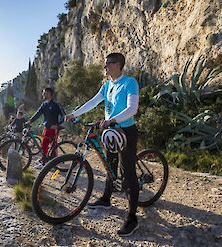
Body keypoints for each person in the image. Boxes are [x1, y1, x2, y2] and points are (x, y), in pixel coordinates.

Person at [64, 52, 140, 237]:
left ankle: (132, 217)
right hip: (110, 132)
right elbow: (93, 102)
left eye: (108, 64)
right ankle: (106, 198)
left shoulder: (129, 82)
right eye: (105, 64)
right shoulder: (107, 85)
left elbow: (132, 109)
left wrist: (112, 119)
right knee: (110, 166)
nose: (105, 68)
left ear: (118, 64)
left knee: (128, 172)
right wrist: (75, 114)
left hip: (126, 132)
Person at [27, 87, 65, 168]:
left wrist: (57, 124)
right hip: (46, 128)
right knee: (44, 144)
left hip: (53, 129)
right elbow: (38, 113)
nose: (43, 94)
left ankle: (49, 163)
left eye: (44, 93)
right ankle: (46, 160)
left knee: (52, 146)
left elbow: (63, 116)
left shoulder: (55, 104)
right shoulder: (44, 104)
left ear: (49, 93)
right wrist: (30, 121)